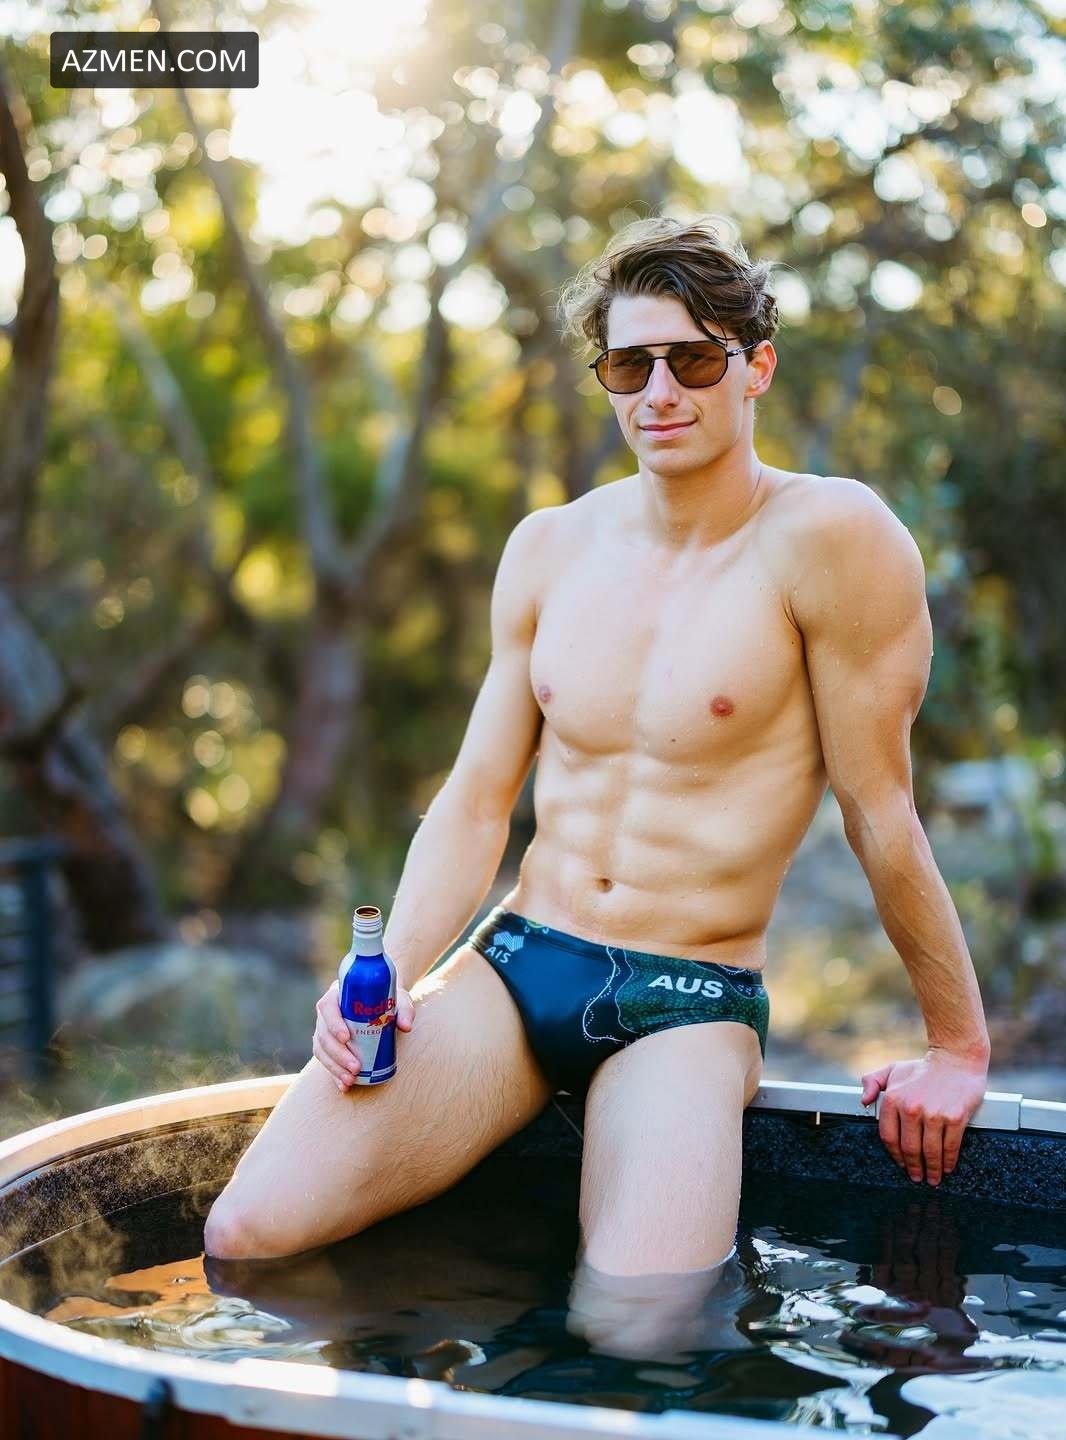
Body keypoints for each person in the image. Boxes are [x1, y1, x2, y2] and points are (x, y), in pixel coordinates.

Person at [203, 215, 991, 1355]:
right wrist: (386, 978)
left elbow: (881, 810)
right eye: (630, 365)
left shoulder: (833, 537)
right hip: (519, 965)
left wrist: (958, 1046)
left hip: (689, 997)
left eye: (695, 360)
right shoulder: (550, 547)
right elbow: (477, 800)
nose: (659, 393)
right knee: (248, 1234)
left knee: (635, 1329)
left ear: (757, 368)